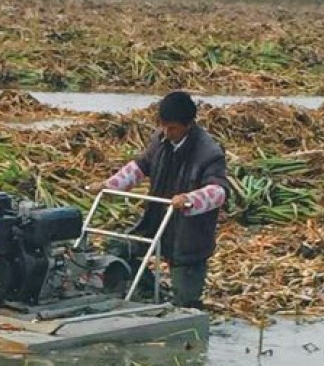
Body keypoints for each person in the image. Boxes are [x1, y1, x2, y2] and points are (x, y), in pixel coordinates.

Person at [88, 90, 229, 309]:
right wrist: (109, 186)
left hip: (188, 234)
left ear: (188, 124)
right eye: (163, 125)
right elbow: (140, 166)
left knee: (186, 303)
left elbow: (219, 191)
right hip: (156, 221)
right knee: (117, 251)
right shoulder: (160, 141)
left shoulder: (209, 153)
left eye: (172, 128)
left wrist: (189, 199)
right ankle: (148, 293)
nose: (166, 131)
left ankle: (180, 308)